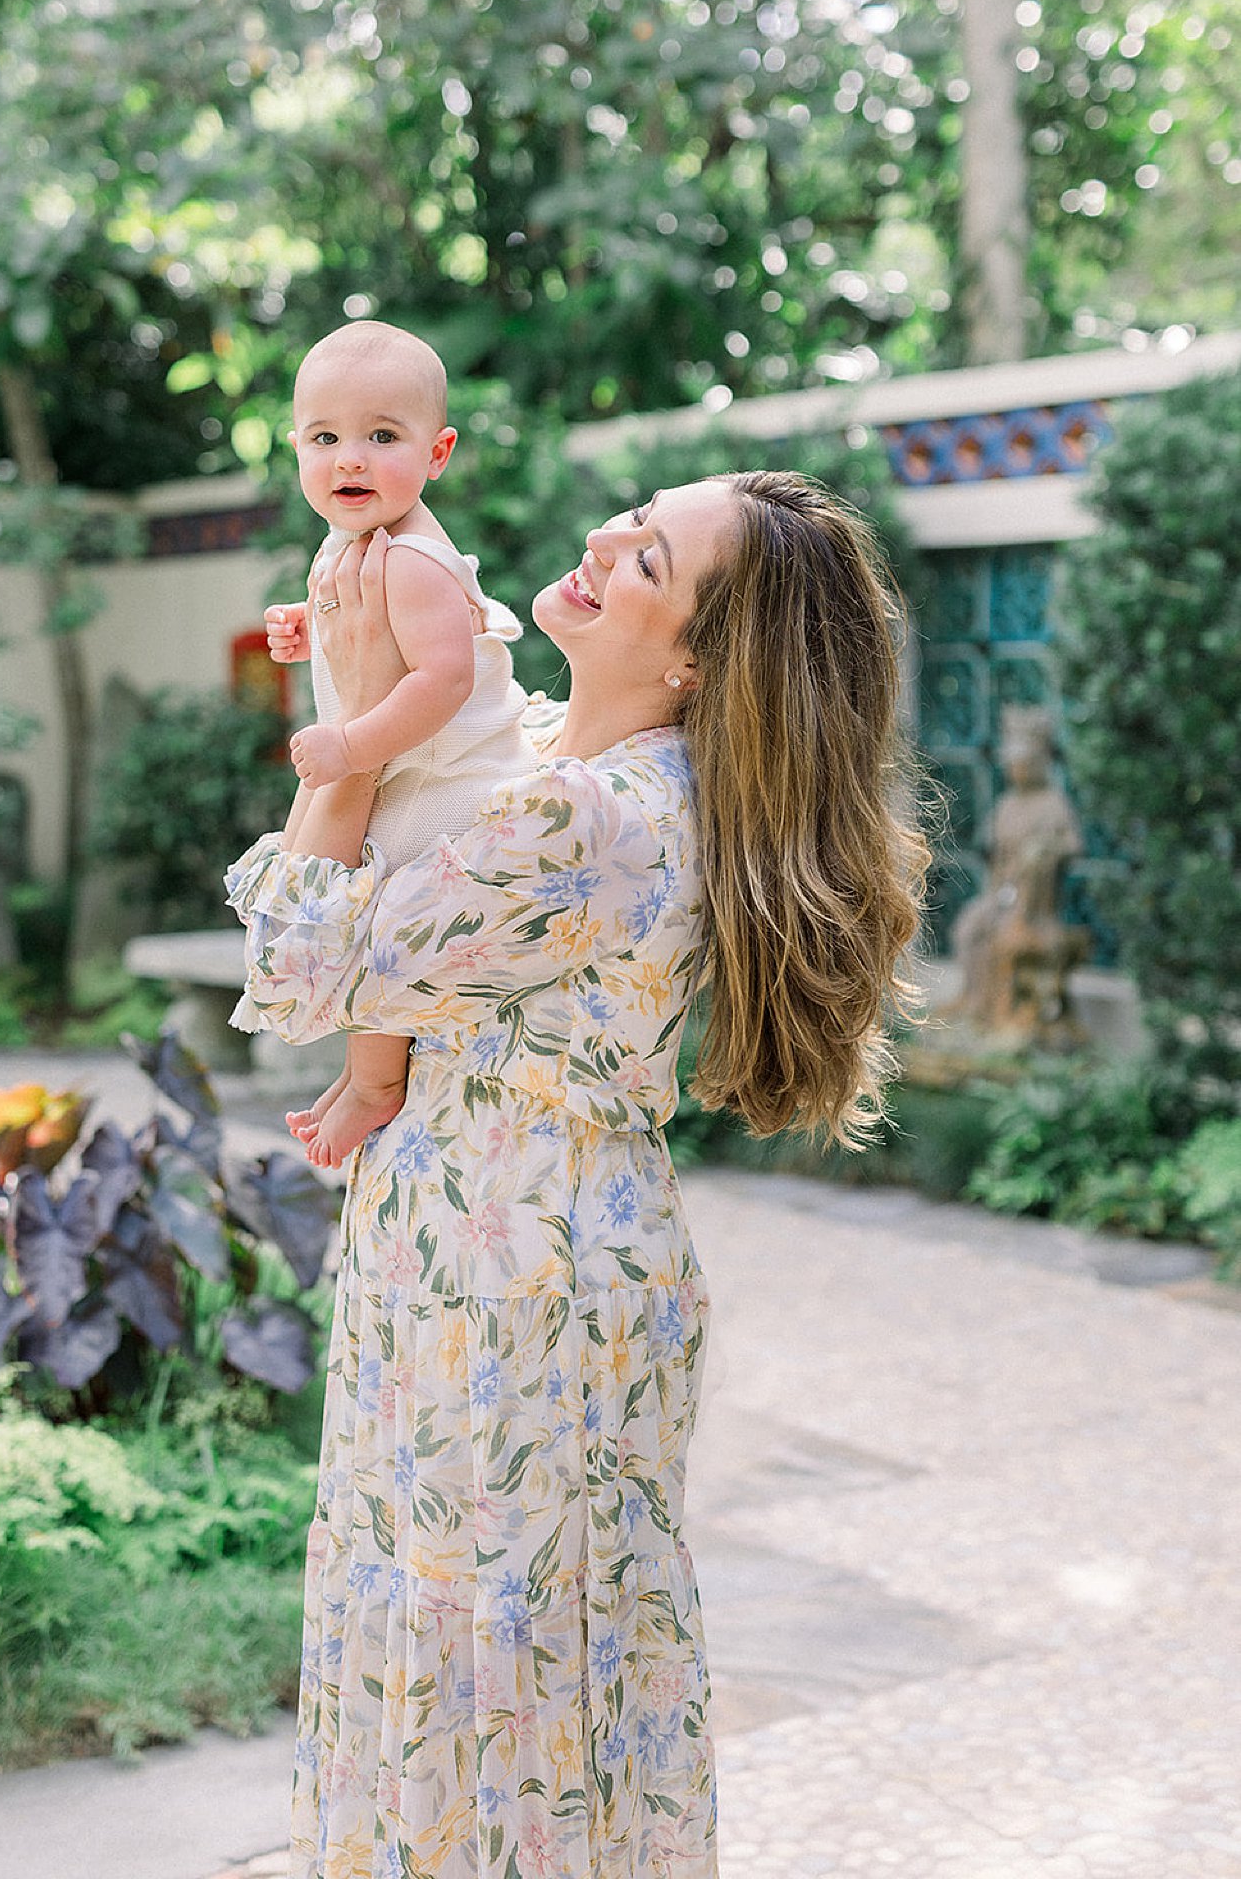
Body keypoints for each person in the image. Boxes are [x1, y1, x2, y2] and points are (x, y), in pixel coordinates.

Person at [226, 472, 929, 1879]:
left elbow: (298, 965)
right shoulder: (559, 765)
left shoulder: (587, 822)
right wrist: (377, 677)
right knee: (553, 1666)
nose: (601, 540)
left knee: (485, 1678)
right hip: (523, 1251)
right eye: (626, 518)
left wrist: (350, 748)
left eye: (649, 557)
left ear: (690, 660)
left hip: (504, 1278)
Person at [232, 319, 534, 1168]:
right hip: (406, 763)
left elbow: (437, 681)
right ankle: (360, 1065)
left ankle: (374, 1081)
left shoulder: (413, 561)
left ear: (436, 453)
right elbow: (361, 636)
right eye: (325, 438)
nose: (349, 460)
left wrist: (353, 746)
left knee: (379, 915)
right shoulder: (353, 541)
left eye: (381, 437)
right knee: (348, 898)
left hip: (452, 778)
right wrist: (302, 628)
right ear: (296, 447)